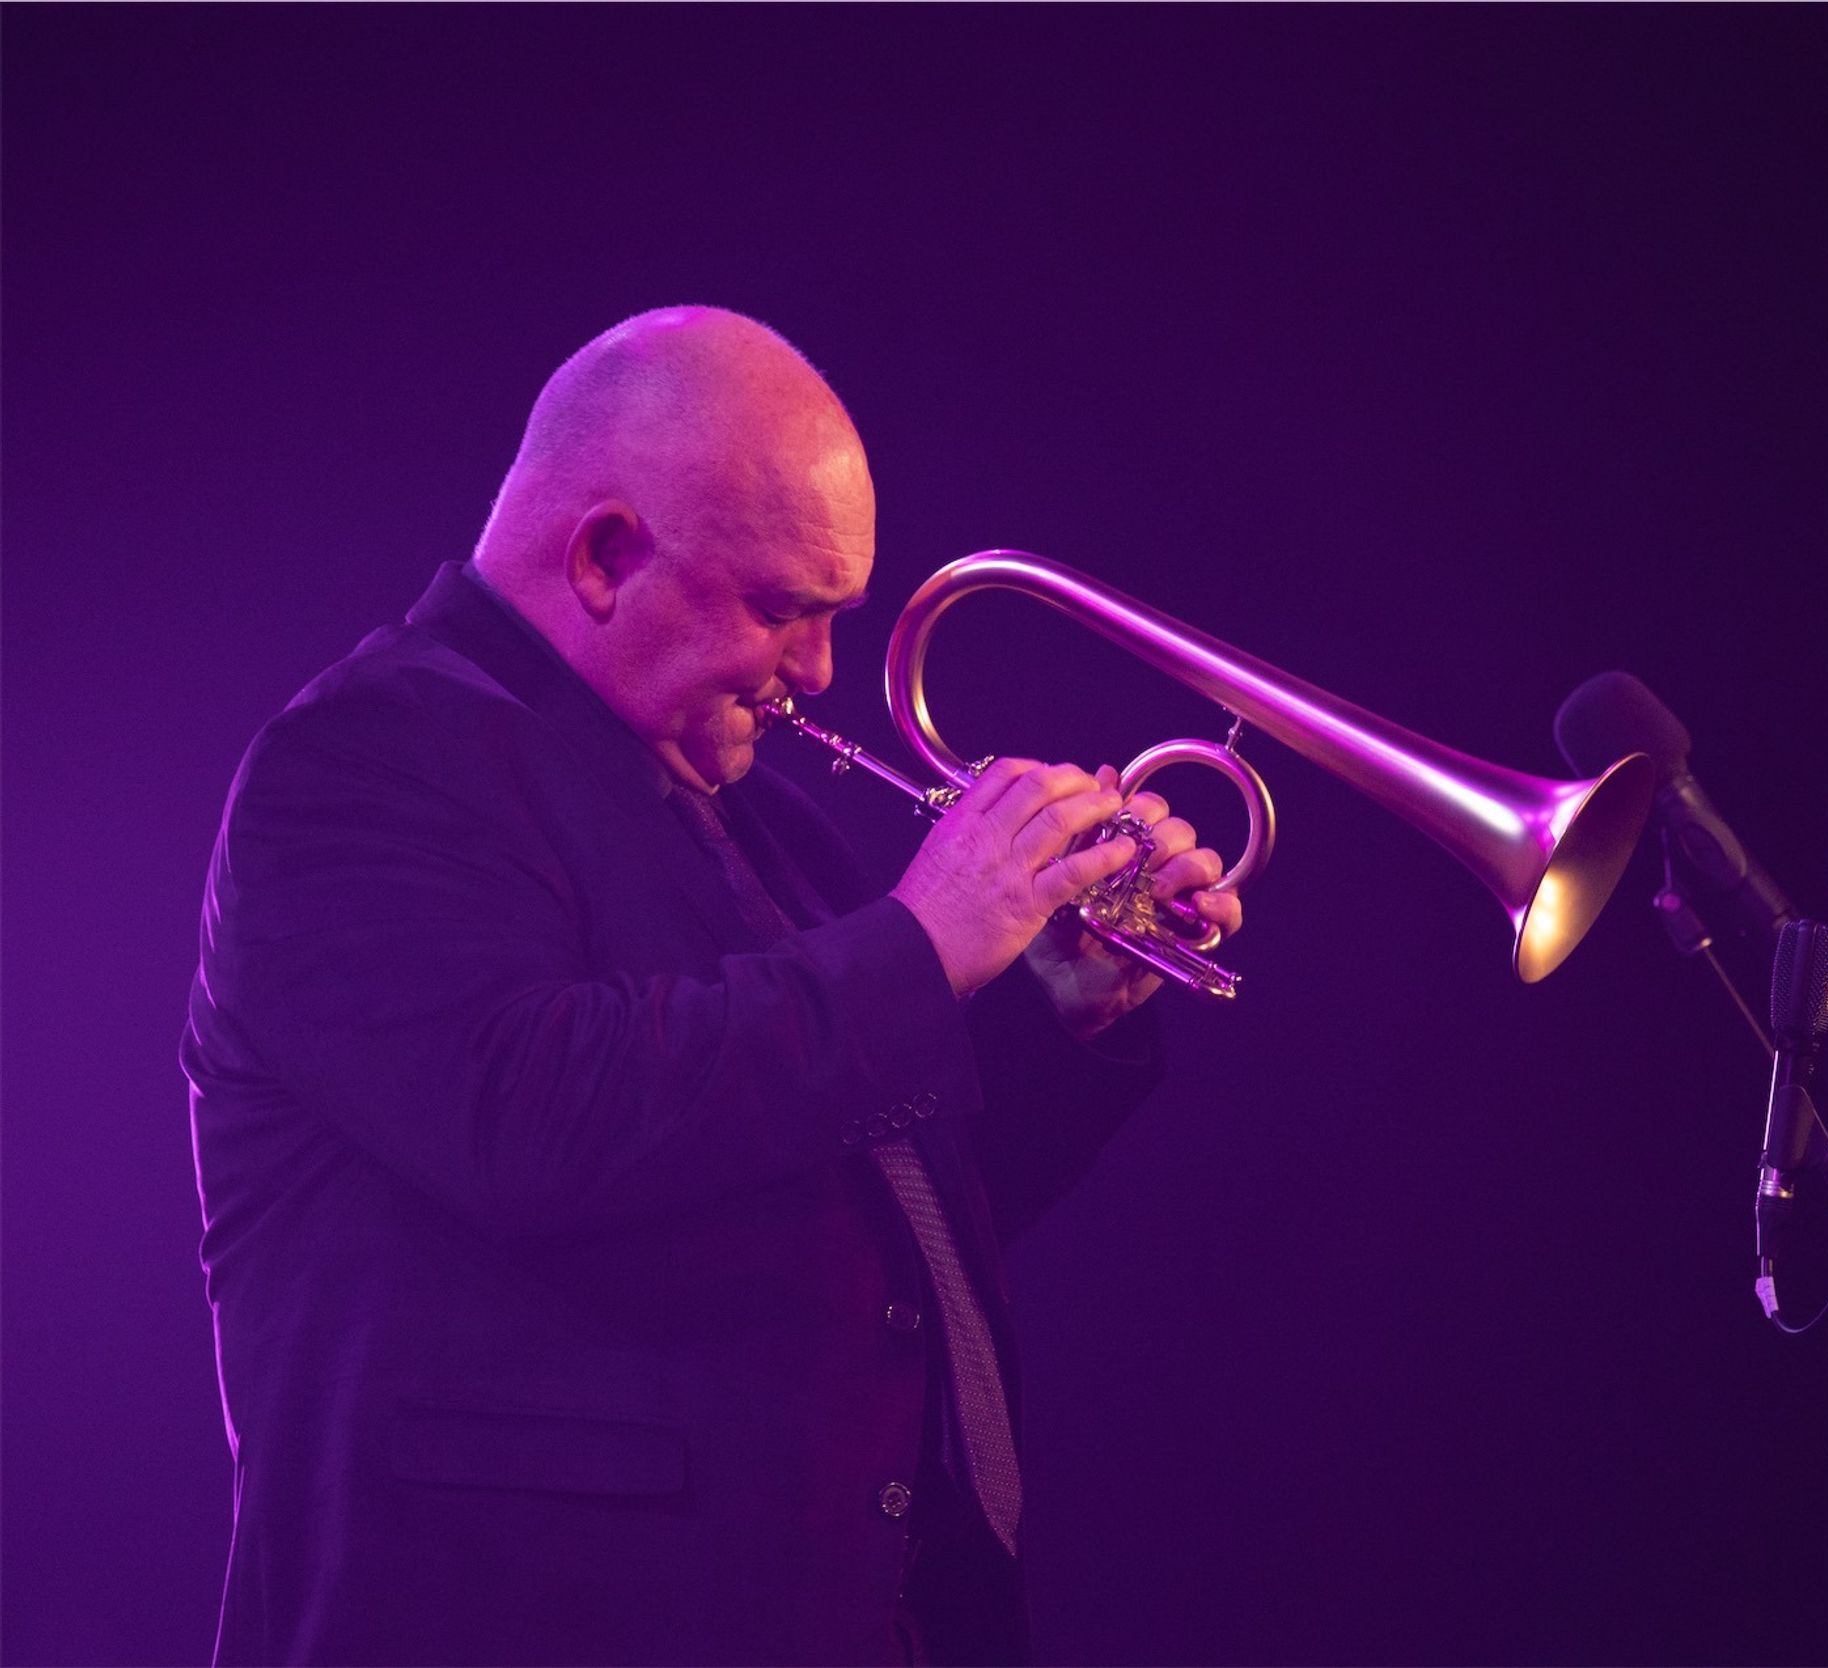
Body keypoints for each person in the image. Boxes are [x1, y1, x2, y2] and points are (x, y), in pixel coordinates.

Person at [181, 307, 1241, 1666]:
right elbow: (530, 1118)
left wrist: (1053, 1008)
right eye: (783, 609)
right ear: (606, 556)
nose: (820, 672)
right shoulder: (363, 759)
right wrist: (926, 942)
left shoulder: (756, 819)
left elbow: (871, 1217)